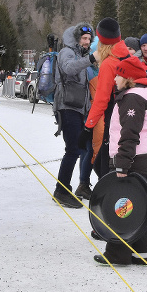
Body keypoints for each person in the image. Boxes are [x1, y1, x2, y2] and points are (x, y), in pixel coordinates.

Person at [94, 54, 147, 266]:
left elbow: (130, 132)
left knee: (120, 204)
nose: (114, 80)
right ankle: (142, 253)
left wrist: (122, 162)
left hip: (133, 160)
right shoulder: (137, 95)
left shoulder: (132, 98)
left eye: (118, 76)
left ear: (128, 78)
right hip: (140, 158)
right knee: (138, 204)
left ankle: (116, 254)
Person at [53, 22, 95, 207]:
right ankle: (61, 190)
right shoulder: (67, 52)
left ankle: (63, 189)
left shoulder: (80, 55)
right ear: (77, 38)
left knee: (74, 149)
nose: (86, 42)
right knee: (73, 149)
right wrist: (91, 59)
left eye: (88, 39)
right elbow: (69, 68)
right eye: (84, 38)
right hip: (67, 106)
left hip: (77, 108)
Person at [79, 18, 127, 179]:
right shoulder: (128, 57)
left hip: (113, 116)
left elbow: (101, 99)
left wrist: (87, 127)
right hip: (130, 115)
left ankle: (110, 199)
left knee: (104, 166)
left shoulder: (109, 63)